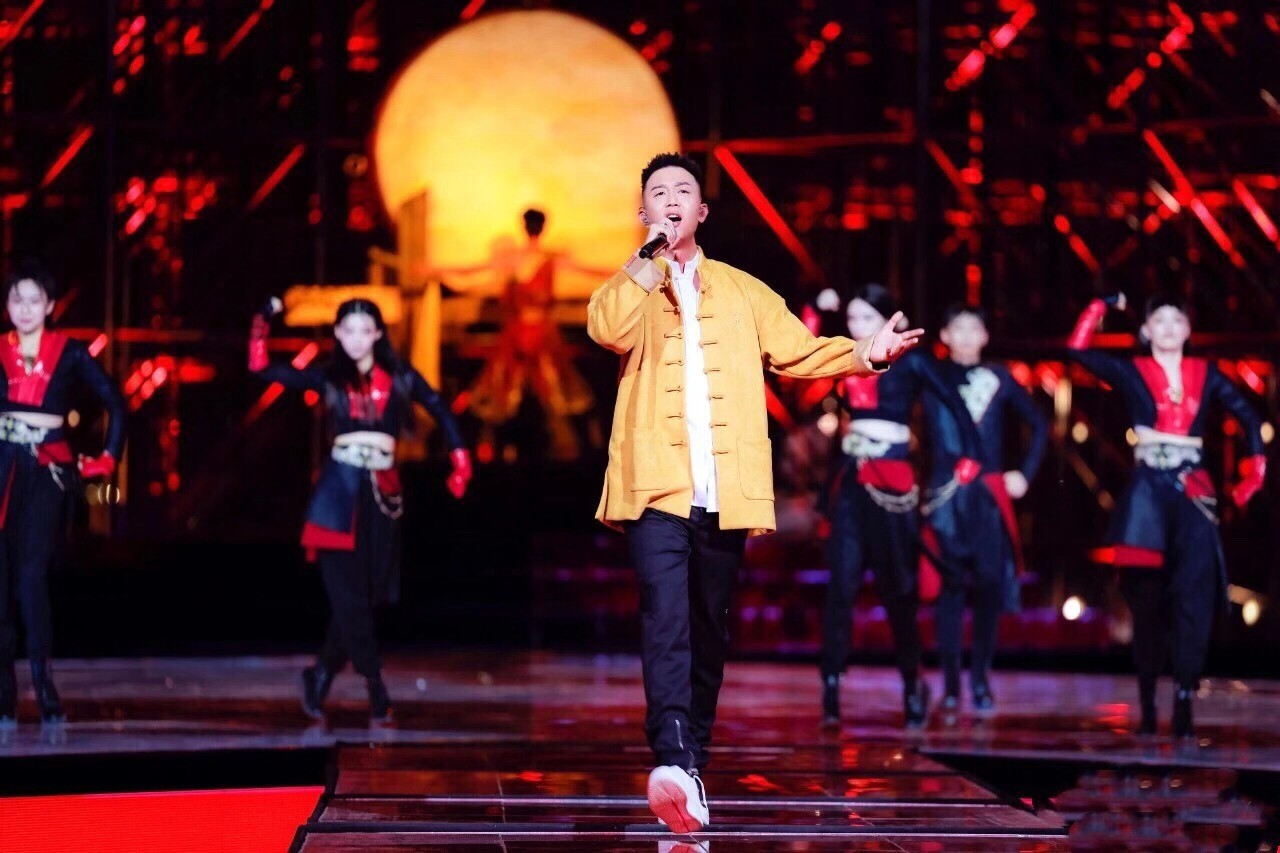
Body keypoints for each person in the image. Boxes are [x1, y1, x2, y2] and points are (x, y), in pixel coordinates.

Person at [587, 152, 922, 834]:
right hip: (654, 486)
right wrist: (645, 259)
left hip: (725, 490)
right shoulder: (631, 286)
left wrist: (865, 353)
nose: (672, 199)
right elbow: (605, 328)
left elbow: (800, 351)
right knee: (665, 617)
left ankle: (691, 767)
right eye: (659, 192)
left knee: (709, 629)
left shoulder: (743, 290)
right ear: (644, 211)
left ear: (703, 210)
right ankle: (672, 755)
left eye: (683, 191)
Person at [249, 297, 471, 724]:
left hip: (383, 495)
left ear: (377, 334)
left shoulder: (399, 375)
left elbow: (439, 407)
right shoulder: (329, 377)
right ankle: (374, 682)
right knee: (348, 595)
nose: (355, 339)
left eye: (364, 330)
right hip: (337, 495)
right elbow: (263, 369)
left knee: (366, 598)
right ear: (337, 333)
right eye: (347, 330)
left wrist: (461, 456)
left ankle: (320, 673)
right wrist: (263, 320)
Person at [1067, 292, 1265, 737]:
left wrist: (1254, 474)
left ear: (1188, 330)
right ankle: (1146, 695)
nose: (1170, 327)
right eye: (1160, 319)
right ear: (1146, 330)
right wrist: (1099, 305)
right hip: (1147, 493)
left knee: (1193, 595)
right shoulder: (1132, 370)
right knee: (1146, 599)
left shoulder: (1206, 373)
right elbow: (1076, 351)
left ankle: (1184, 694)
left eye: (1178, 319)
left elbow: (1249, 418)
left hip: (1192, 490)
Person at [819, 285, 980, 729]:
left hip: (893, 485)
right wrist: (816, 306)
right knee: (841, 588)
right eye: (852, 319)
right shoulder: (845, 355)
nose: (857, 327)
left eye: (867, 318)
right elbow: (799, 350)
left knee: (898, 591)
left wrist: (970, 456)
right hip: (852, 482)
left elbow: (955, 403)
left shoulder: (913, 361)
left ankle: (912, 684)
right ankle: (830, 685)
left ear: (891, 320)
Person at [0, 259, 124, 725]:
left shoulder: (69, 352)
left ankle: (43, 683)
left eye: (34, 300)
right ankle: (4, 691)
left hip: (46, 471)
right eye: (17, 299)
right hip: (2, 467)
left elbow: (115, 402)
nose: (25, 309)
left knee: (31, 575)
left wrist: (106, 458)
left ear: (50, 305)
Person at [922, 302, 1047, 716]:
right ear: (945, 336)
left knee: (990, 586)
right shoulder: (931, 374)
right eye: (957, 328)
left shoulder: (999, 377)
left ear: (985, 336)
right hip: (947, 497)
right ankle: (951, 686)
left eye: (974, 328)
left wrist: (1024, 474)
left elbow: (1039, 424)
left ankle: (980, 679)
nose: (966, 336)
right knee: (951, 589)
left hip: (988, 497)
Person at [445, 208, 611, 460]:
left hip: (534, 333)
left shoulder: (532, 258)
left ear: (526, 227)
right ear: (541, 228)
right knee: (514, 390)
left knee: (542, 389)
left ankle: (562, 448)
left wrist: (434, 270)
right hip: (526, 333)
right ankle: (499, 450)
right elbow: (590, 270)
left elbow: (471, 270)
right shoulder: (526, 258)